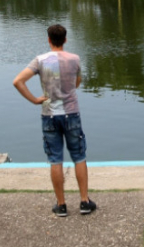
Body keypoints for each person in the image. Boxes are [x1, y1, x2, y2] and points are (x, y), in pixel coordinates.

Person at [13, 24, 97, 217]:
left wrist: (35, 100)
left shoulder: (40, 60)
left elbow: (17, 81)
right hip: (72, 114)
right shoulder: (74, 59)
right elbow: (76, 83)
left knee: (55, 159)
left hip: (49, 115)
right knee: (79, 156)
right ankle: (84, 201)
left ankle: (61, 205)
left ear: (49, 40)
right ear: (65, 40)